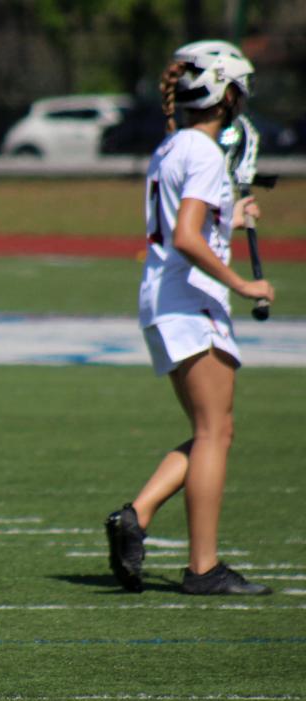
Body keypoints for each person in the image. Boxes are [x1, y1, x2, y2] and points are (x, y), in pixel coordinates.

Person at [104, 40, 274, 596]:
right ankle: (203, 568)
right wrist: (242, 283)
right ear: (227, 92)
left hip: (165, 301)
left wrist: (232, 210)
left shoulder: (172, 148)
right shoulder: (202, 153)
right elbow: (186, 235)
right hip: (190, 300)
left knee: (213, 433)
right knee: (213, 433)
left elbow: (188, 217)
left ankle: (139, 516)